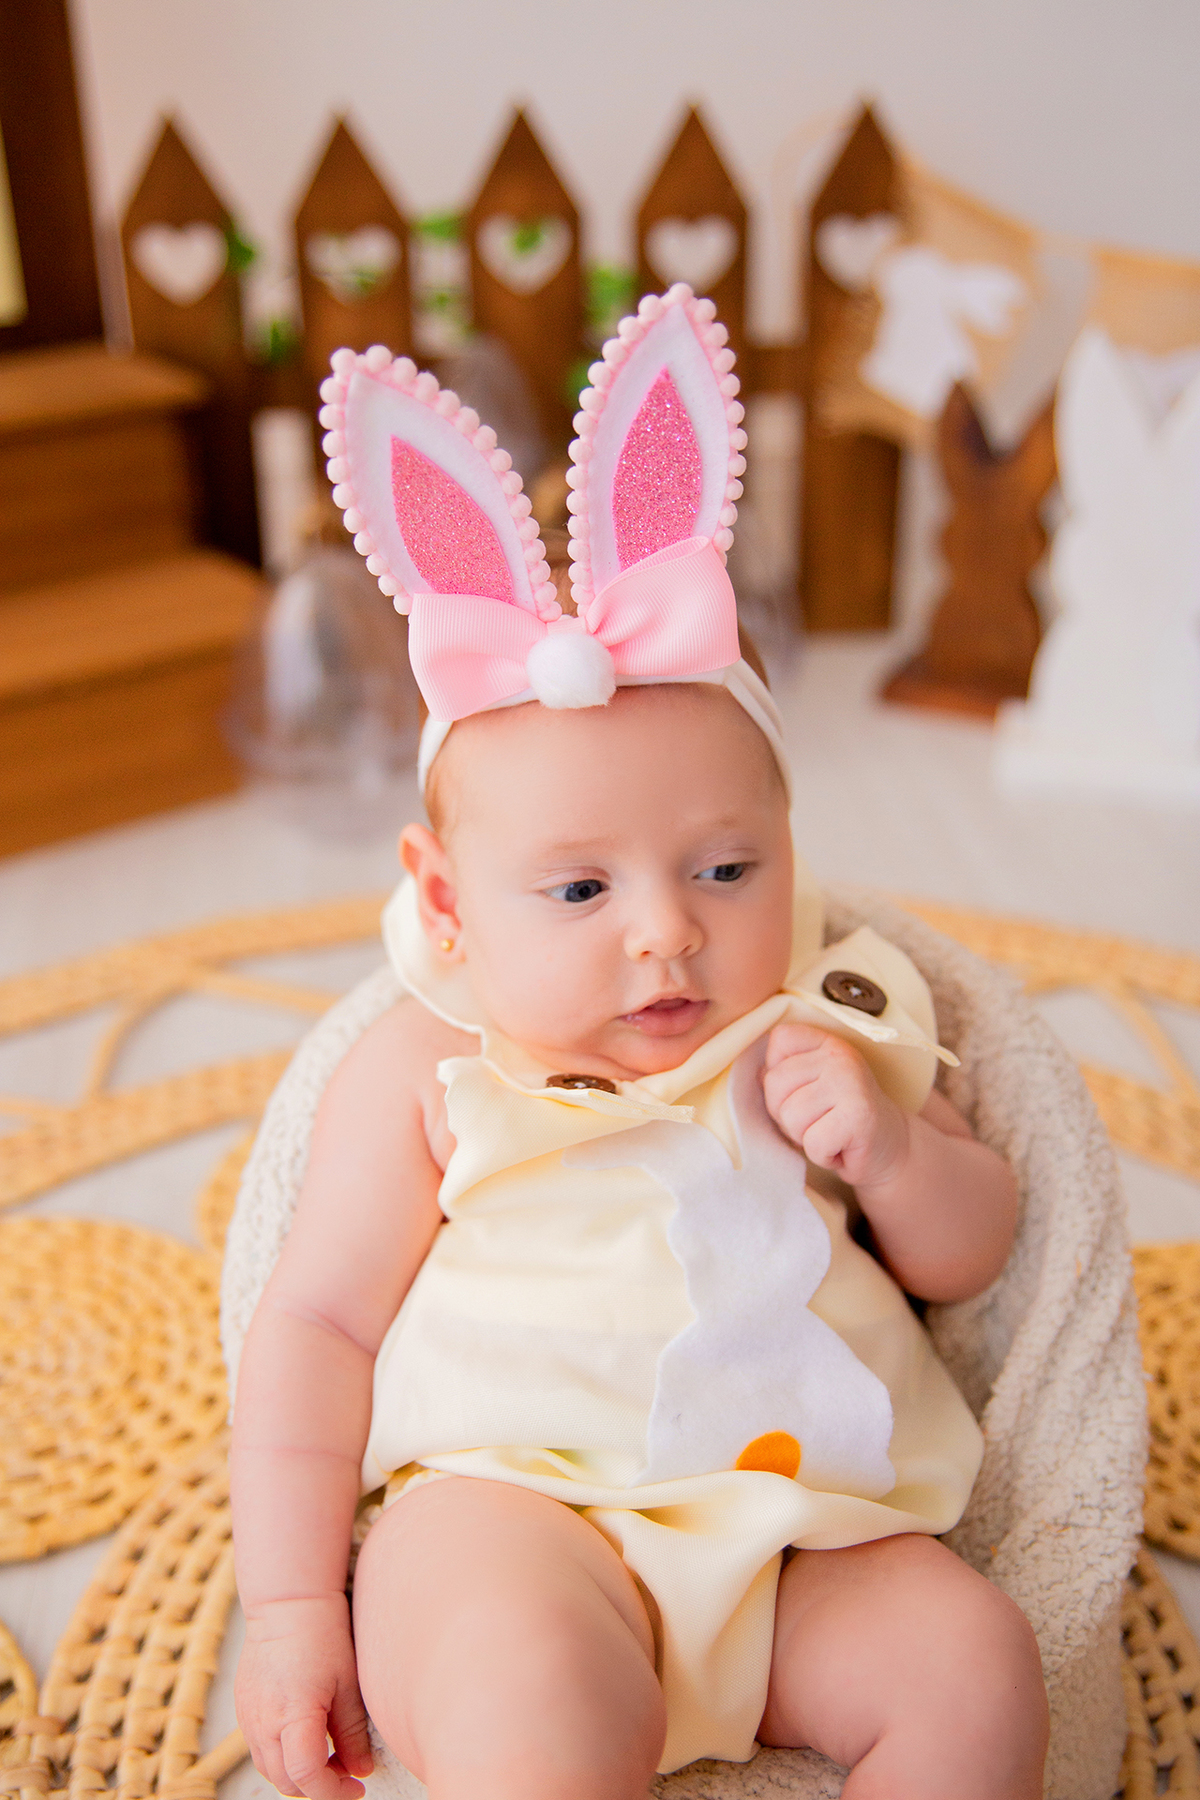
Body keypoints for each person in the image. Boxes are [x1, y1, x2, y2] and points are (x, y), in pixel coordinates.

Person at [230, 287, 1049, 1800]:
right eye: (582, 889)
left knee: (979, 1666)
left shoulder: (827, 1021)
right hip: (512, 1517)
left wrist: (887, 1147)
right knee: (523, 1706)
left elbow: (975, 1247)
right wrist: (289, 1609)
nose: (668, 935)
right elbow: (318, 1329)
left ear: (792, 850)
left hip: (798, 1532)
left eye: (727, 870)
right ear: (447, 901)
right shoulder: (431, 1067)